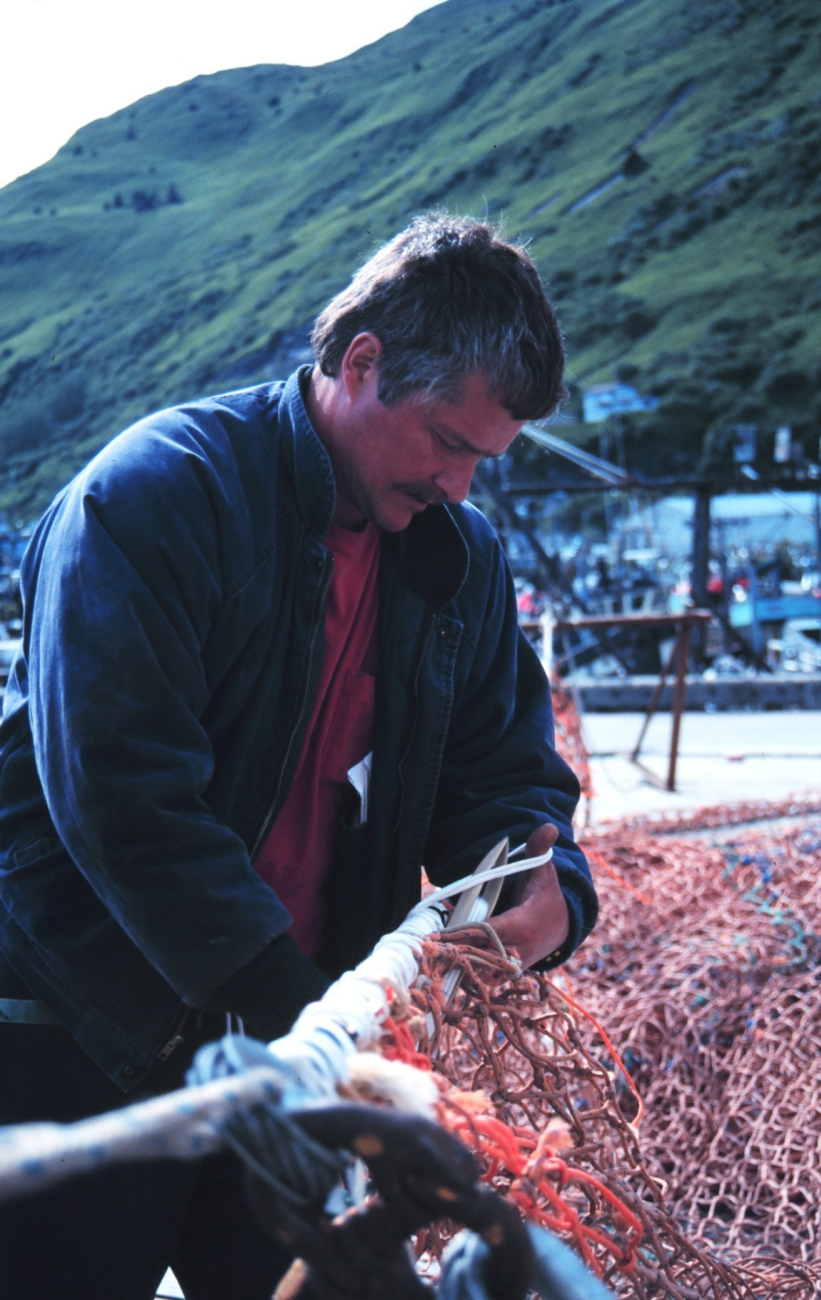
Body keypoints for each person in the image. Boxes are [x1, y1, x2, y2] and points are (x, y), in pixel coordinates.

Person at [0, 213, 598, 1299]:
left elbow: (505, 775)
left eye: (484, 460)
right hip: (83, 1040)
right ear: (358, 359)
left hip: (298, 1043)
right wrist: (307, 1014)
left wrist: (545, 885)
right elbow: (124, 804)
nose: (460, 487)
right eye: (447, 444)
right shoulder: (150, 497)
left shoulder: (455, 556)